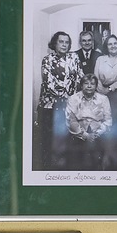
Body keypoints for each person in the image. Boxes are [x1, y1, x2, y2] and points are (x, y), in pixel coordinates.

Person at [34, 31, 79, 170]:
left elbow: (79, 78)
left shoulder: (74, 57)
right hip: (50, 106)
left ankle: (64, 170)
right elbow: (49, 85)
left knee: (67, 138)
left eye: (67, 42)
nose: (64, 45)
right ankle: (47, 170)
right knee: (48, 139)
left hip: (69, 106)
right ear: (55, 43)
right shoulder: (47, 60)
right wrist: (68, 96)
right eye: (61, 42)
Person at [65, 74, 111, 169]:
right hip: (78, 134)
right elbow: (70, 120)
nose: (89, 86)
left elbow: (108, 120)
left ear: (96, 86)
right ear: (81, 85)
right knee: (76, 164)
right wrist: (85, 135)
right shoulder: (73, 99)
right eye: (86, 83)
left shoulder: (103, 99)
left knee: (97, 163)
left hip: (98, 134)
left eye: (92, 84)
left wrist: (96, 134)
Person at [93, 34, 117, 99]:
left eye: (115, 43)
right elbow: (96, 77)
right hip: (101, 93)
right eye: (110, 44)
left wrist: (110, 88)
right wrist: (101, 90)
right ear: (106, 46)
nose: (113, 46)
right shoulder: (100, 59)